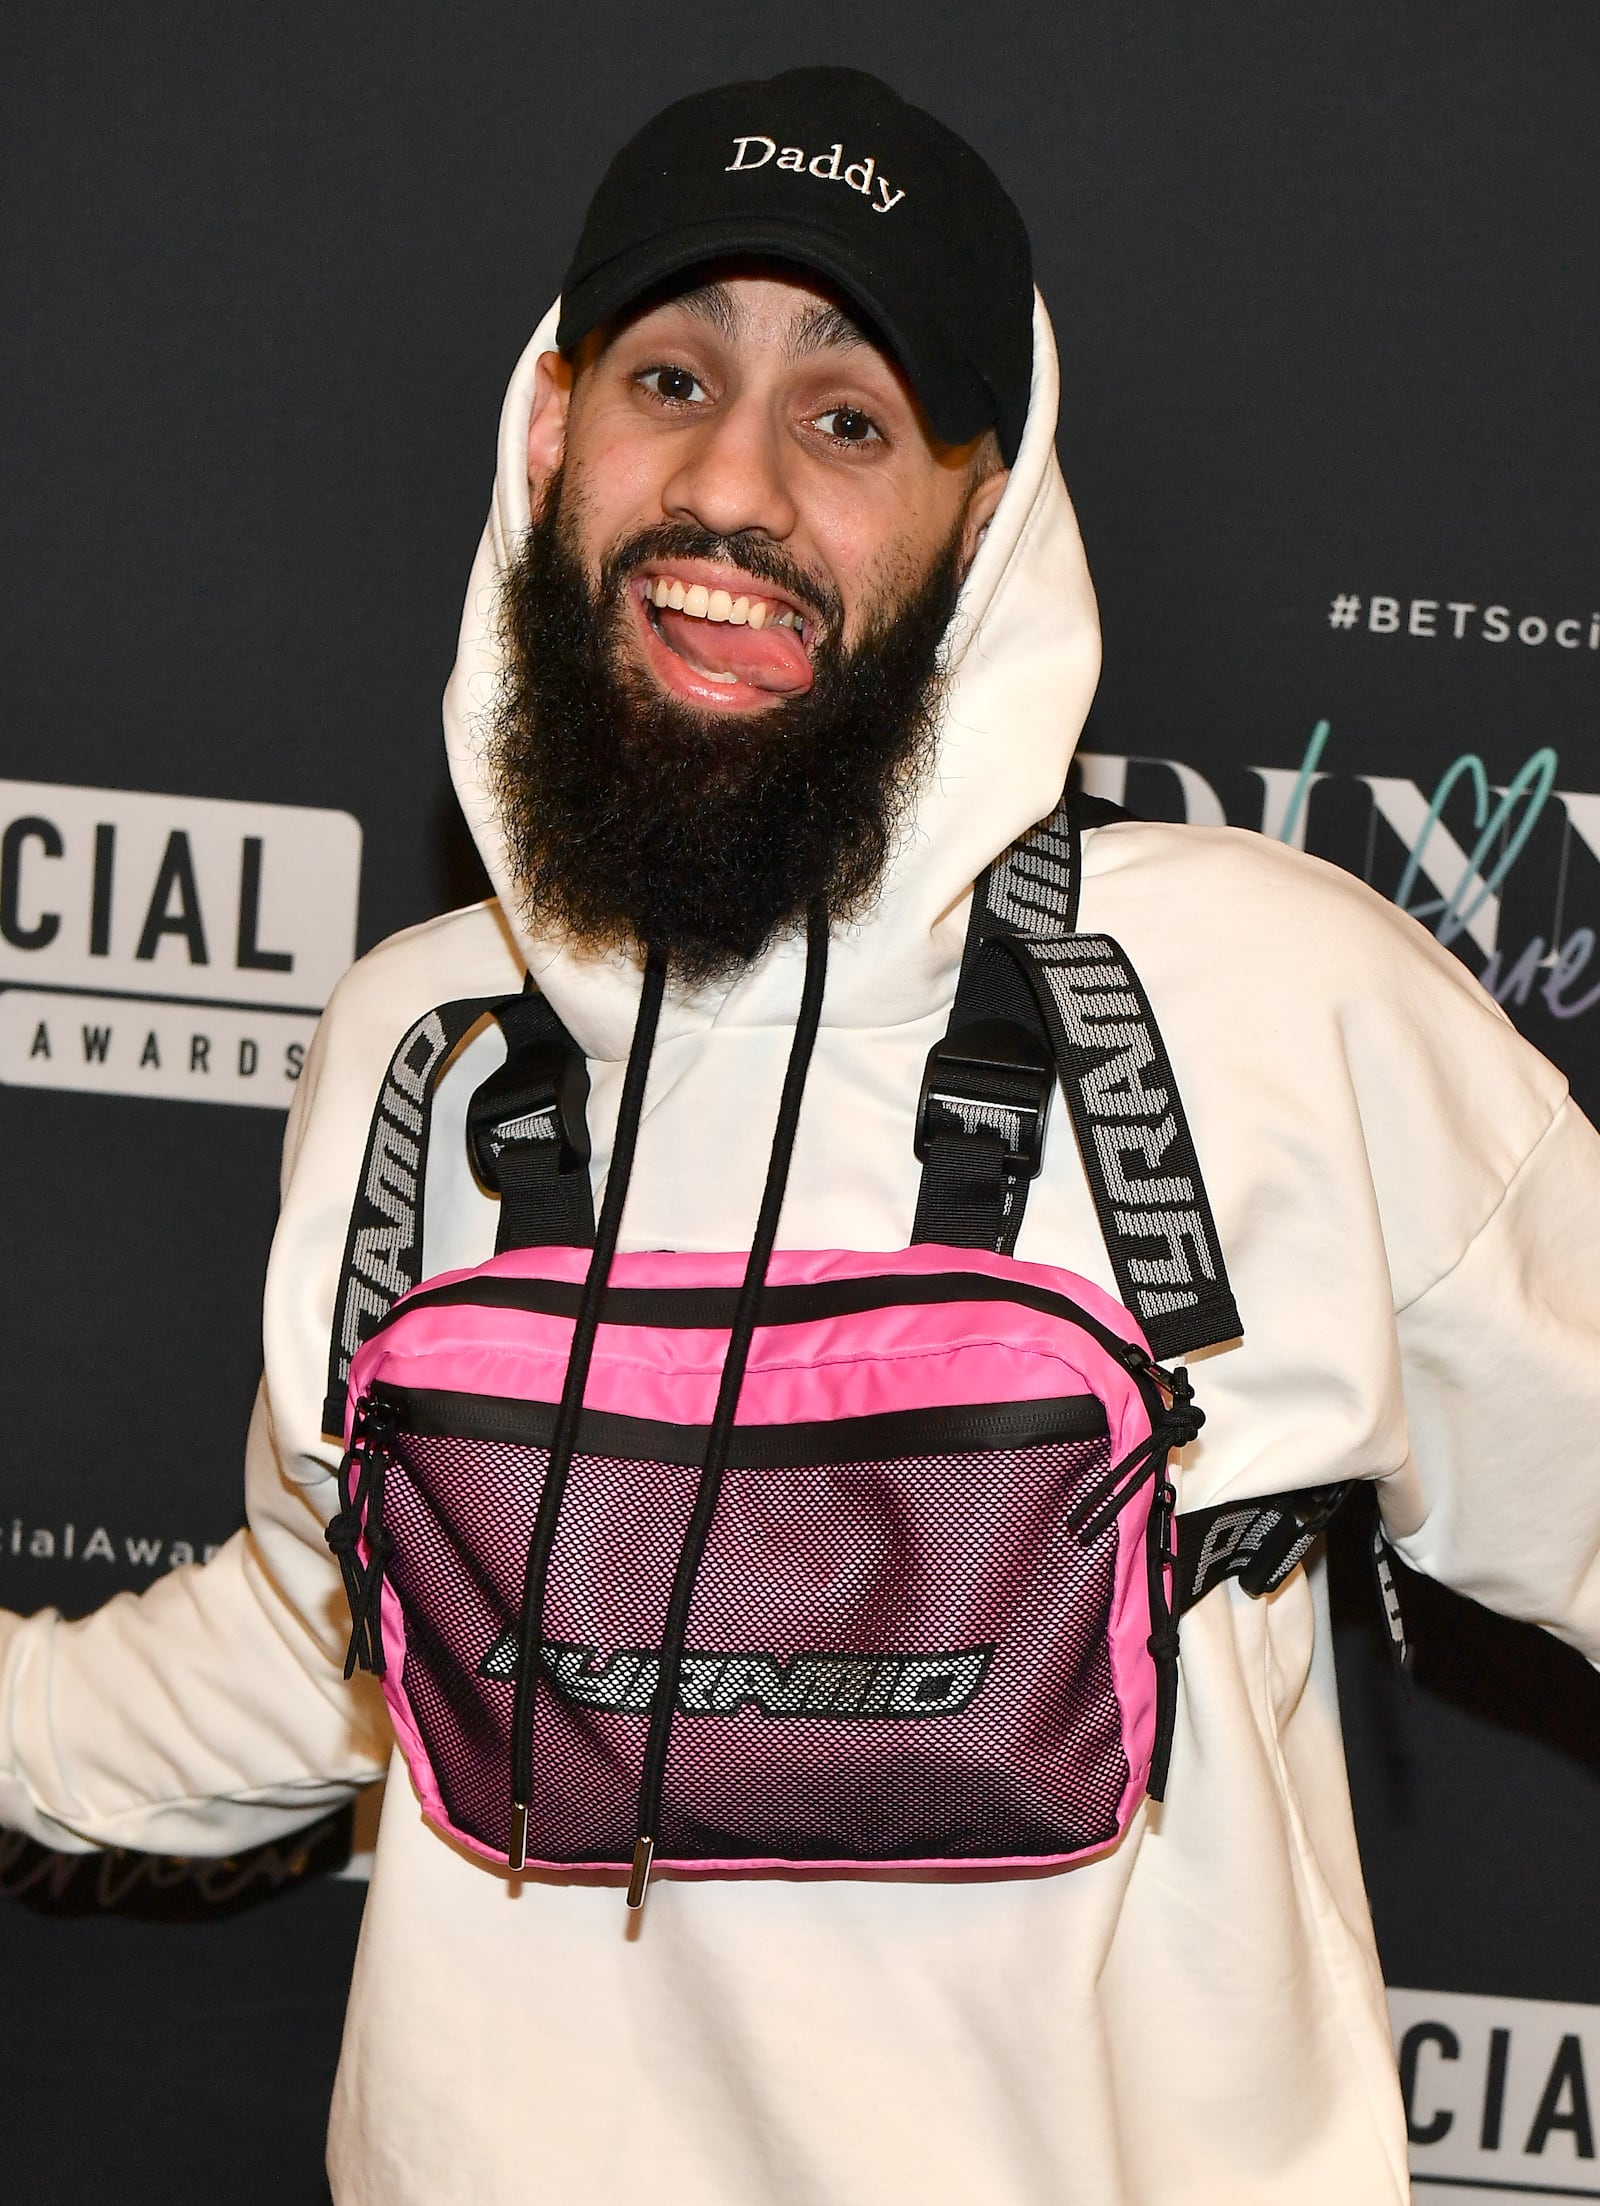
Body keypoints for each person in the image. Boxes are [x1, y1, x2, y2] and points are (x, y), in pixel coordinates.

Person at [2, 65, 1597, 2206]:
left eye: (844, 420)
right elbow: (310, 1651)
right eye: (670, 377)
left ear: (985, 506)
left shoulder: (1266, 1004)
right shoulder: (414, 1048)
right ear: (550, 431)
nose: (727, 489)